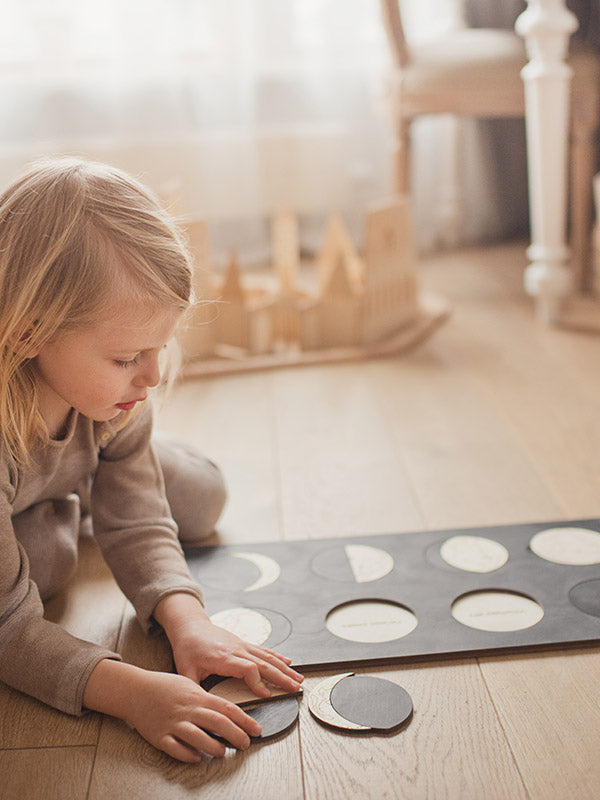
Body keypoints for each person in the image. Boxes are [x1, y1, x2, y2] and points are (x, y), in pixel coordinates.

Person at [0, 157, 303, 763]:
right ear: (29, 335)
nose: (154, 375)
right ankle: (79, 485)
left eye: (160, 347)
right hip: (24, 475)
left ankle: (90, 475)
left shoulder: (124, 397)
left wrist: (188, 622)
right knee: (47, 572)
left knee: (200, 499)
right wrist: (132, 692)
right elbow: (8, 632)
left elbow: (139, 525)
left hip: (78, 452)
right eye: (126, 357)